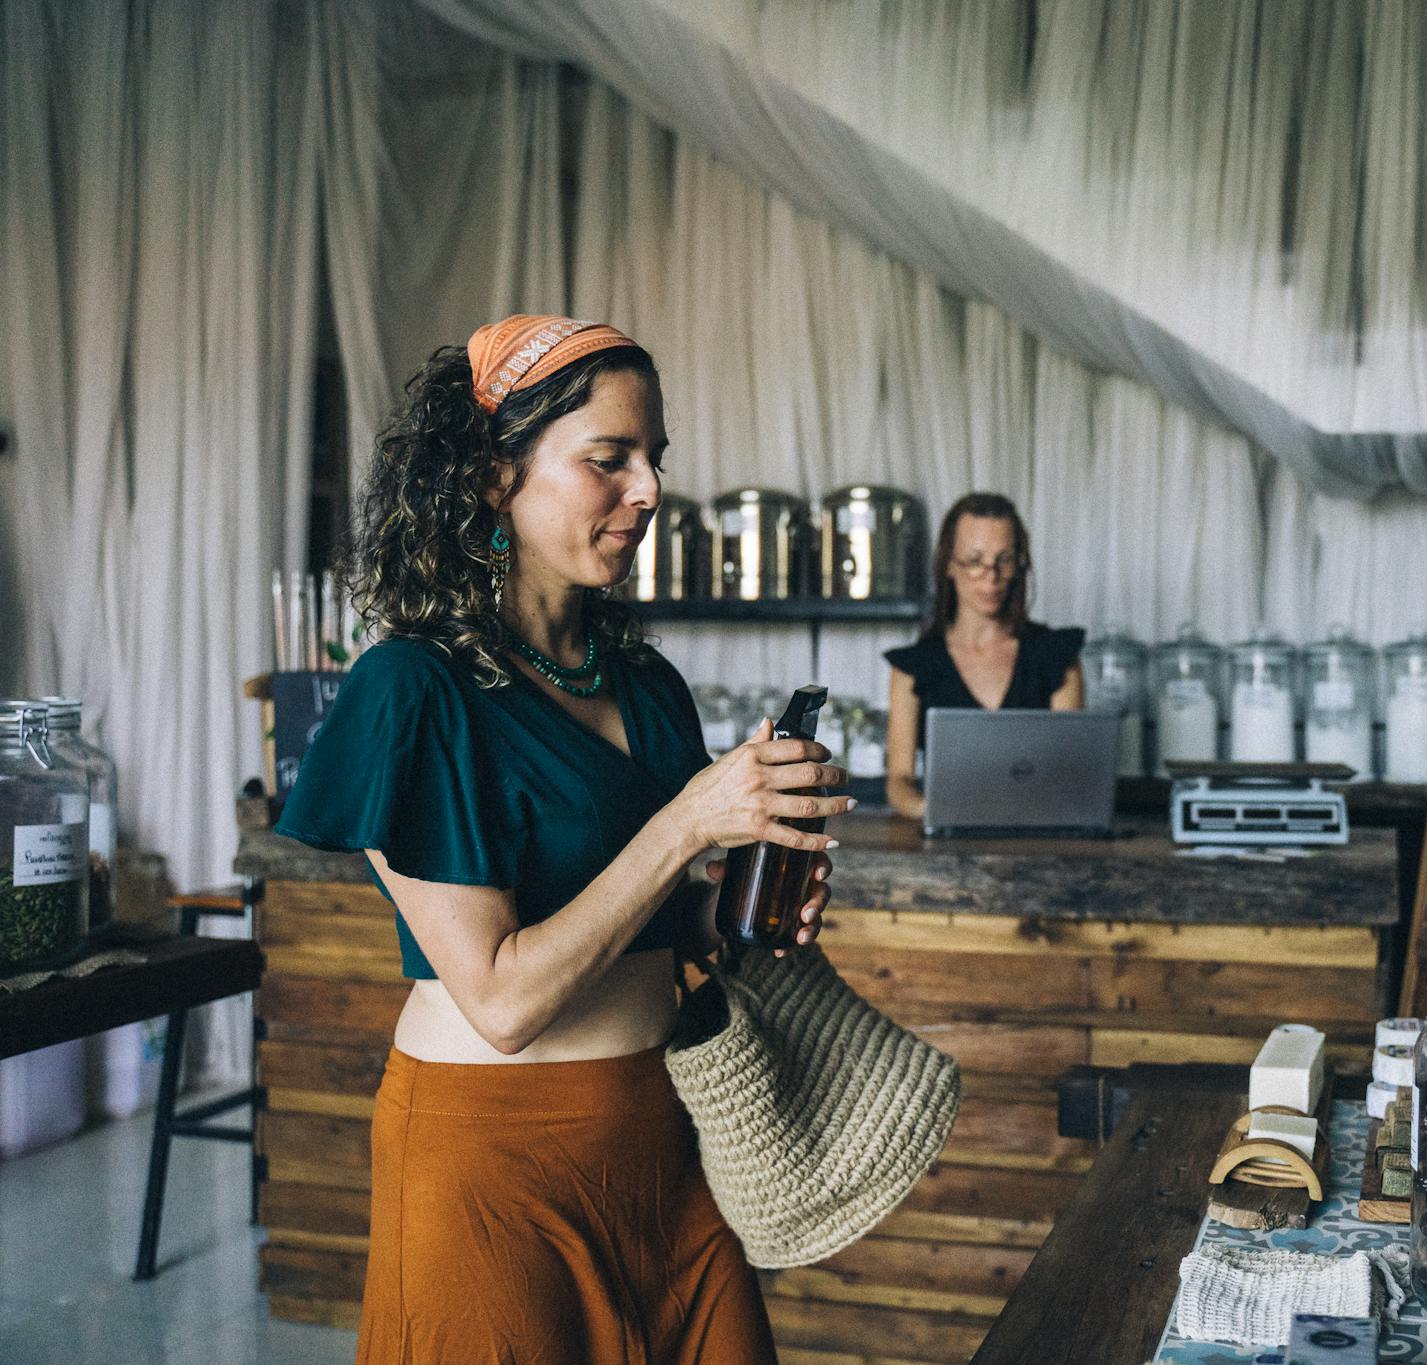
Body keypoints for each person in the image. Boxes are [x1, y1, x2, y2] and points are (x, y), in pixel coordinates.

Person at [276, 314, 852, 1364]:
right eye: (609, 459)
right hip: (491, 1166)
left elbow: (655, 927)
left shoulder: (646, 684)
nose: (648, 490)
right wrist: (689, 822)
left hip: (665, 1142)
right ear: (495, 479)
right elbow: (502, 1001)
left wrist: (742, 902)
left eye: (653, 460)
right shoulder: (412, 692)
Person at [882, 492, 1085, 820]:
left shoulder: (1056, 657)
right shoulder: (913, 667)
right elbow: (899, 781)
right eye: (974, 561)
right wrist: (936, 811)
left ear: (1020, 563)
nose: (991, 577)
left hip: (1041, 835)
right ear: (949, 564)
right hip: (947, 843)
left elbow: (1069, 770)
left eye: (1003, 560)